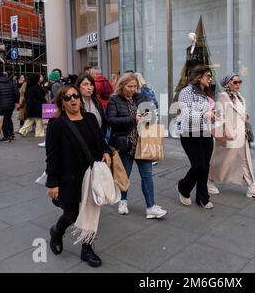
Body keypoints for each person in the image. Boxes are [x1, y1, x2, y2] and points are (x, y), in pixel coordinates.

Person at [45, 85, 112, 268]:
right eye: (67, 98)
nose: (73, 99)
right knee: (71, 215)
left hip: (91, 175)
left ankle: (87, 249)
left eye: (75, 96)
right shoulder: (56, 124)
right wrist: (52, 183)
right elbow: (52, 156)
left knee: (91, 213)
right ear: (62, 102)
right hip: (69, 177)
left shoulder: (90, 119)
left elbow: (100, 141)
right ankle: (57, 231)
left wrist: (107, 152)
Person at [106, 72, 167, 219]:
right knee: (124, 175)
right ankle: (123, 201)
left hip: (143, 143)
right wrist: (132, 118)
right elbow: (111, 120)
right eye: (129, 86)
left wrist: (148, 117)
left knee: (147, 175)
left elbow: (152, 115)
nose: (133, 89)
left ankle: (151, 207)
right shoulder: (114, 100)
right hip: (125, 144)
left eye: (135, 86)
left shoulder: (141, 97)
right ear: (122, 85)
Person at [207, 73, 255, 199]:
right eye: (235, 82)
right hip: (229, 136)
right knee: (221, 161)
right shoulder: (223, 96)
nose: (238, 85)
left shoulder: (239, 96)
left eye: (239, 82)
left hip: (242, 135)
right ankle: (209, 181)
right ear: (228, 83)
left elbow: (240, 112)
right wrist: (223, 134)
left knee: (245, 161)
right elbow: (219, 117)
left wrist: (245, 116)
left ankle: (252, 187)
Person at [175, 65, 214, 209]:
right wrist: (206, 115)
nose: (210, 79)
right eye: (208, 76)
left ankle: (202, 198)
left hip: (205, 133)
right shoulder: (186, 92)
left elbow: (211, 112)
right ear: (199, 77)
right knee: (199, 166)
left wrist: (215, 116)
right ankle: (183, 187)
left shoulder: (207, 92)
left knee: (205, 166)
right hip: (189, 133)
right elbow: (187, 114)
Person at [0, 71, 19, 142]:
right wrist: (16, 101)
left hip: (1, 105)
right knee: (8, 118)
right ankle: (11, 134)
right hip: (11, 105)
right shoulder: (11, 83)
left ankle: (6, 136)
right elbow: (16, 93)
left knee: (4, 120)